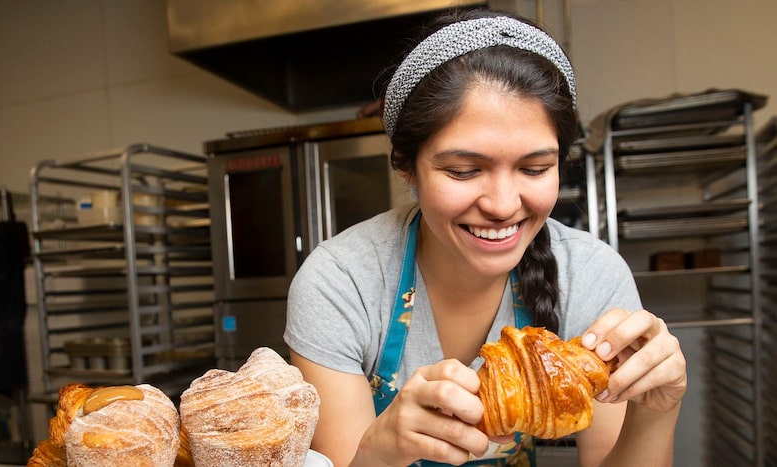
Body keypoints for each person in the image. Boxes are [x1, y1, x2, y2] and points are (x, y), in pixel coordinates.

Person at [284, 7, 687, 467]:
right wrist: (378, 451)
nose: (501, 204)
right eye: (463, 170)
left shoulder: (591, 275)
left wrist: (656, 412)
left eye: (534, 169)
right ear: (406, 167)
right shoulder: (340, 283)